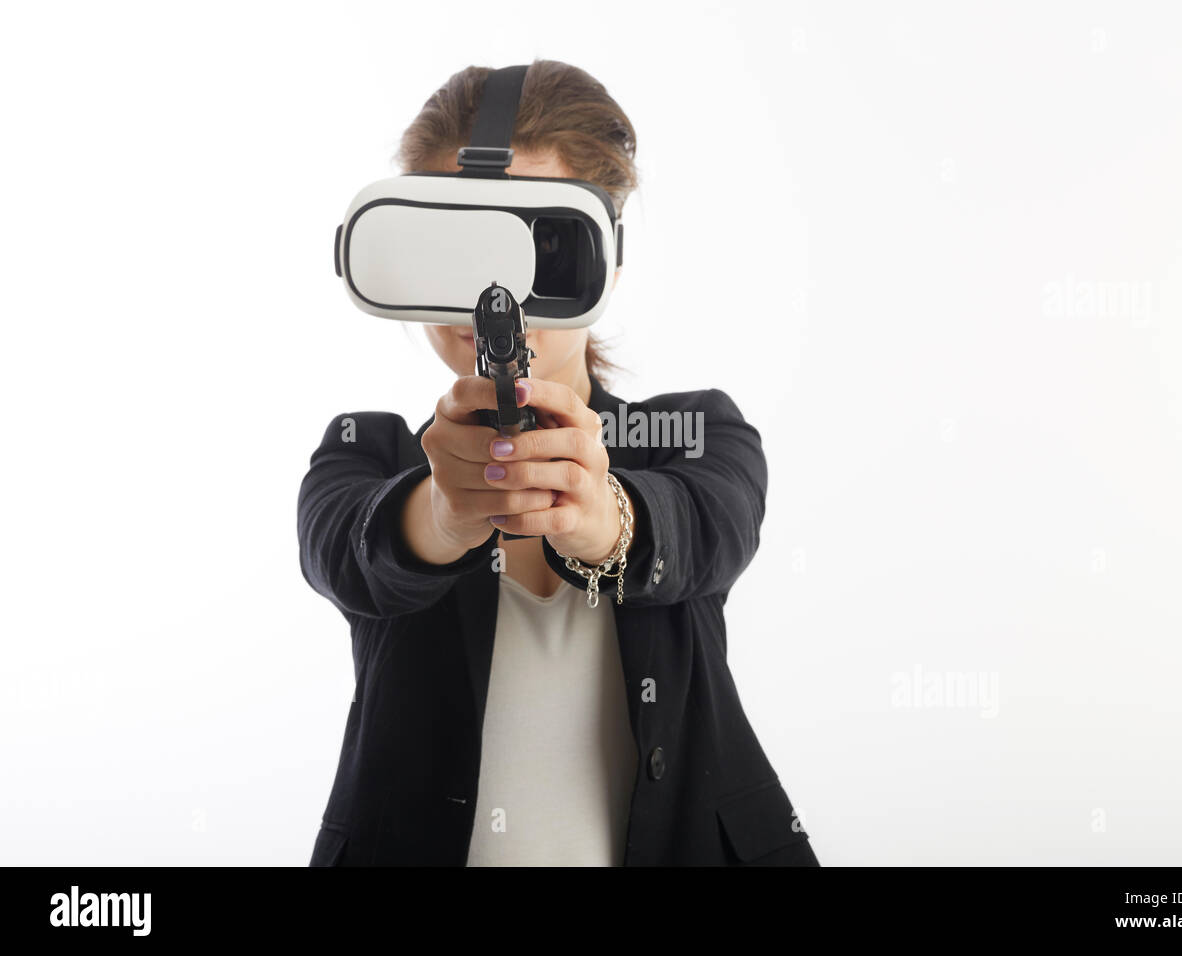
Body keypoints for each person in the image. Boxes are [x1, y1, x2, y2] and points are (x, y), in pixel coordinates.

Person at [298, 59, 817, 866]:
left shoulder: (694, 432)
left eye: (542, 240)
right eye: (454, 245)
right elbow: (347, 551)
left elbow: (709, 527)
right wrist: (439, 513)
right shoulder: (366, 454)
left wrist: (606, 519)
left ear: (606, 257)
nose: (491, 296)